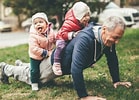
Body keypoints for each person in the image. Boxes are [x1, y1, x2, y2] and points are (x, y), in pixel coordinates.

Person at [0, 16, 132, 100]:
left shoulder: (107, 40)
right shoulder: (86, 39)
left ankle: (22, 64)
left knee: (35, 70)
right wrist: (84, 96)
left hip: (63, 65)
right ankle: (5, 68)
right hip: (55, 65)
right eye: (115, 37)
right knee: (32, 77)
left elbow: (112, 59)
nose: (117, 41)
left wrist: (116, 80)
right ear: (104, 29)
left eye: (119, 38)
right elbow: (76, 69)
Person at [52, 1, 91, 75]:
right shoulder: (69, 22)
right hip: (62, 37)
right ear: (78, 16)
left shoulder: (83, 22)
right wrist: (73, 34)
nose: (87, 18)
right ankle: (56, 62)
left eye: (88, 15)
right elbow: (63, 34)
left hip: (73, 36)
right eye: (84, 16)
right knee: (61, 46)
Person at [28, 12, 56, 91]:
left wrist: (57, 42)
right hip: (36, 56)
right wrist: (46, 53)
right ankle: (34, 83)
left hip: (47, 54)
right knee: (34, 70)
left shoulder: (50, 32)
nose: (38, 24)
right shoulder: (33, 35)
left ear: (46, 24)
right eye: (35, 23)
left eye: (41, 22)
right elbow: (33, 48)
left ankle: (49, 79)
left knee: (47, 68)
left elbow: (54, 39)